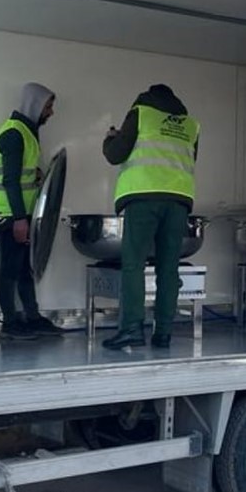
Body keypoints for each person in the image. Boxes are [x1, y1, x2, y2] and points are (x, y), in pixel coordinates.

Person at [100, 83, 200, 350]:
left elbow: (115, 154)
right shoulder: (191, 125)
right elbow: (190, 159)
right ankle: (163, 333)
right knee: (169, 268)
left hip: (143, 196)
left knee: (134, 264)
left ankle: (132, 328)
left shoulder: (141, 112)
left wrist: (110, 138)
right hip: (178, 200)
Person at [0, 82, 61, 341]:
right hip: (10, 214)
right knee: (10, 268)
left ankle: (32, 317)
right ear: (36, 105)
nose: (50, 113)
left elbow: (21, 174)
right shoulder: (14, 134)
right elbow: (9, 180)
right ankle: (10, 323)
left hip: (22, 213)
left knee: (24, 269)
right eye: (48, 107)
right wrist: (19, 219)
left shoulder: (27, 132)